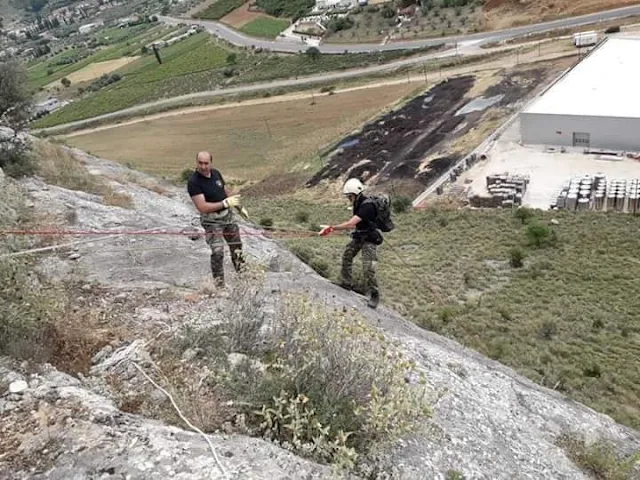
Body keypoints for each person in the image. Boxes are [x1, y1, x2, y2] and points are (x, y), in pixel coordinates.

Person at [318, 178, 382, 309]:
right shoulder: (358, 203)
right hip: (360, 235)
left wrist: (332, 228)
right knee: (347, 255)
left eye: (349, 196)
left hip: (369, 239)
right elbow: (356, 224)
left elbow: (351, 223)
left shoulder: (367, 206)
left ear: (355, 194)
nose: (348, 199)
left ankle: (374, 294)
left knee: (368, 267)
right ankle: (346, 282)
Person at [187, 151, 245, 287]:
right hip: (212, 221)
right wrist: (224, 204)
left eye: (206, 163)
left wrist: (238, 206)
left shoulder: (216, 174)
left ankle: (243, 275)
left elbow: (225, 191)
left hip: (227, 217)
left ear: (211, 163)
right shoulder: (194, 182)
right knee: (218, 252)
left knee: (236, 246)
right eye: (200, 163)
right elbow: (202, 207)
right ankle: (220, 285)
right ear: (196, 163)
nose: (203, 166)